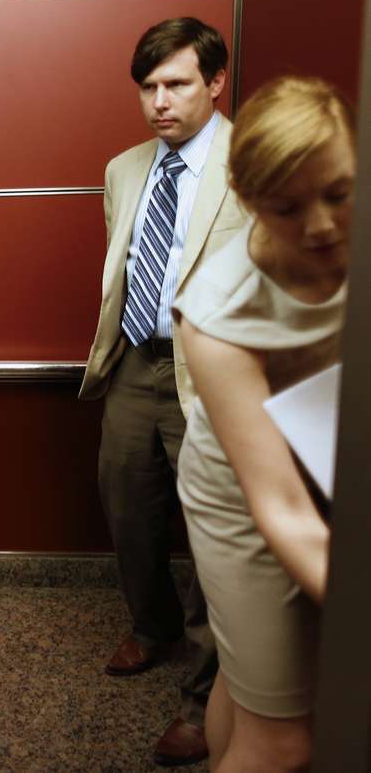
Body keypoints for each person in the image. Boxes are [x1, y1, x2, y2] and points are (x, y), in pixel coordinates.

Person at [77, 17, 247, 766]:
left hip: (214, 372)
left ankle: (206, 699)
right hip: (134, 367)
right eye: (148, 86)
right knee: (129, 506)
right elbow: (126, 263)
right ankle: (153, 627)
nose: (159, 101)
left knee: (216, 540)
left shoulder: (252, 162)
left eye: (176, 83)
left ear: (214, 82)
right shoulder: (124, 167)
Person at [174, 76, 352, 771]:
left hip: (330, 449)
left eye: (339, 193)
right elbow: (280, 506)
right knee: (284, 740)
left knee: (252, 685)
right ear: (248, 203)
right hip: (242, 494)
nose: (321, 226)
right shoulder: (217, 312)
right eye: (287, 207)